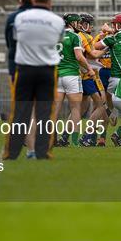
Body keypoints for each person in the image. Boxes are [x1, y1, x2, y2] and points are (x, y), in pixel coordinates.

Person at [3, 0, 64, 160]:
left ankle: (11, 152)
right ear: (50, 1)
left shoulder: (20, 18)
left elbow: (14, 40)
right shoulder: (57, 20)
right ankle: (43, 151)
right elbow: (58, 40)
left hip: (24, 69)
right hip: (47, 70)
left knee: (20, 111)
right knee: (45, 112)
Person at [93, 13, 121, 145]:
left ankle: (102, 134)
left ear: (119, 25)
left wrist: (106, 33)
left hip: (115, 78)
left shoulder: (112, 38)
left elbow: (95, 47)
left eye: (115, 24)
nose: (113, 26)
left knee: (106, 105)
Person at [53, 13, 95, 147]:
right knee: (76, 108)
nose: (79, 25)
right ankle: (75, 141)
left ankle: (50, 139)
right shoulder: (74, 36)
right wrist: (89, 68)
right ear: (72, 23)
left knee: (55, 109)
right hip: (71, 76)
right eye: (77, 22)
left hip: (57, 75)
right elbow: (79, 56)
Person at [75, 13, 109, 147]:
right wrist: (107, 45)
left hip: (76, 74)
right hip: (88, 74)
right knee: (101, 104)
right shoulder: (85, 36)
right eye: (89, 23)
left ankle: (65, 136)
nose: (91, 26)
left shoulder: (74, 36)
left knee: (80, 108)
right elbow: (93, 54)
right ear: (83, 24)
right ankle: (87, 136)